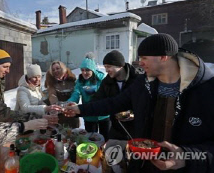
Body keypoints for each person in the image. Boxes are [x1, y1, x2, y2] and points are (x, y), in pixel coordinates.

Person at [63, 34, 214, 173]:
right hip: (143, 165)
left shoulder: (207, 89)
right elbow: (113, 103)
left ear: (163, 57)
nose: (140, 63)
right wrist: (79, 109)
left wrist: (187, 157)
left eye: (144, 58)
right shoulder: (143, 83)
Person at [0, 46, 57, 164]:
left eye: (9, 67)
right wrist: (38, 116)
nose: (8, 71)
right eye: (5, 67)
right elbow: (2, 113)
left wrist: (48, 104)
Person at [91, 50, 138, 140]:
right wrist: (79, 108)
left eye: (109, 66)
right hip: (115, 130)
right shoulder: (107, 82)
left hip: (135, 131)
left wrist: (134, 113)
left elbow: (145, 104)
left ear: (120, 65)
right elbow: (97, 99)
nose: (106, 70)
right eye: (105, 67)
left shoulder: (137, 79)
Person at [67, 53, 110, 140]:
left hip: (103, 115)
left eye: (87, 70)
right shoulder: (80, 81)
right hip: (89, 115)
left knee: (106, 139)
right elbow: (76, 93)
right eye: (82, 70)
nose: (84, 73)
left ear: (93, 70)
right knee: (91, 139)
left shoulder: (102, 79)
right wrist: (70, 102)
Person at [45, 61, 79, 128]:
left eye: (57, 68)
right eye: (53, 70)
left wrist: (70, 105)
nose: (55, 71)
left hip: (72, 113)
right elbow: (52, 96)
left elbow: (76, 94)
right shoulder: (51, 83)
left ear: (62, 68)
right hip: (59, 114)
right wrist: (58, 106)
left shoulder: (72, 80)